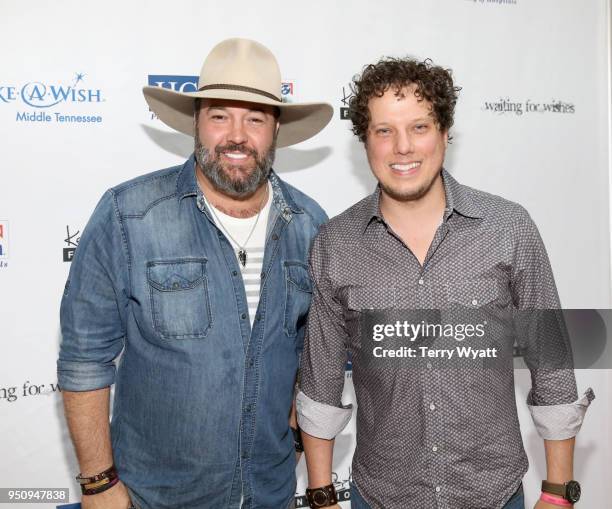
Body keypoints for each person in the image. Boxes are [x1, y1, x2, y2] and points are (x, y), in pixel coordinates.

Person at [296, 57, 594, 509]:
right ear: (365, 141)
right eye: (384, 131)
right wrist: (321, 494)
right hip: (381, 496)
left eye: (419, 127)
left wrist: (558, 490)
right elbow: (321, 381)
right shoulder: (336, 244)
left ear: (444, 133)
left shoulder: (508, 228)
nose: (402, 147)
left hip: (492, 494)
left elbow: (550, 360)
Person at [57, 38, 332, 509]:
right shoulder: (129, 215)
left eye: (255, 118)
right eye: (220, 116)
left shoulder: (311, 225)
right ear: (196, 124)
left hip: (271, 495)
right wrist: (99, 484)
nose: (236, 136)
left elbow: (313, 360)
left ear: (277, 130)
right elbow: (85, 358)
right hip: (153, 498)